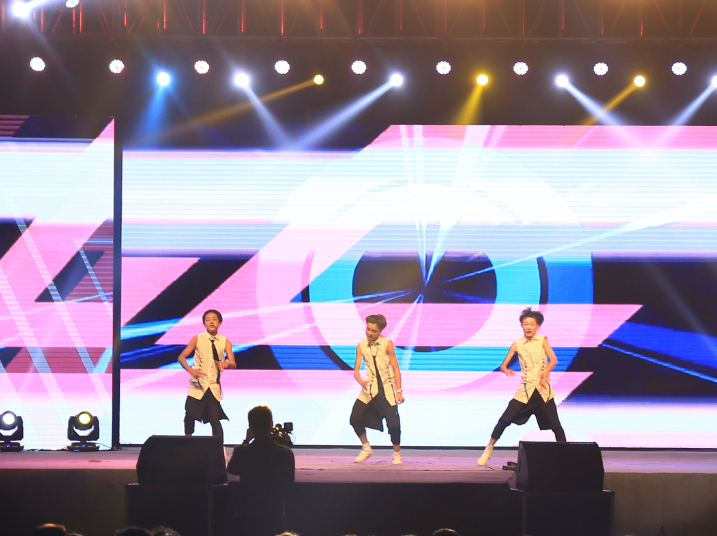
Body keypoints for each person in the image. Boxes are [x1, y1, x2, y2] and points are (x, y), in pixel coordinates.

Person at [477, 307, 566, 466]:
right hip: (525, 390)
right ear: (522, 326)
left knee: (556, 426)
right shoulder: (517, 344)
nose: (529, 327)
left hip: (542, 390)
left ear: (537, 326)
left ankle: (567, 456)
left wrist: (544, 374)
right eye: (526, 324)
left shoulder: (542, 340)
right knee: (504, 420)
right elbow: (503, 365)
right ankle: (489, 448)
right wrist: (507, 370)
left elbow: (553, 360)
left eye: (532, 324)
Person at [227, 405, 296, 536]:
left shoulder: (242, 451)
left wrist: (246, 441)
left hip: (246, 514)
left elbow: (232, 469)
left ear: (250, 427)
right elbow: (288, 483)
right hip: (275, 514)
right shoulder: (285, 453)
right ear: (271, 424)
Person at [350, 314, 405, 465]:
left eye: (373, 331)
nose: (369, 333)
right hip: (369, 389)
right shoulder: (361, 345)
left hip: (387, 389)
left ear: (380, 331)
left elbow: (395, 368)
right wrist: (361, 381)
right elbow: (356, 370)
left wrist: (399, 391)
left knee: (394, 424)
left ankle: (396, 454)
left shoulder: (387, 344)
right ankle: (366, 448)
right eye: (368, 329)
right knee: (354, 418)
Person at [177, 309, 236, 445]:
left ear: (220, 322)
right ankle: (187, 443)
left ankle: (218, 447)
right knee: (189, 414)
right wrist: (191, 371)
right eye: (208, 319)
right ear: (204, 323)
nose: (211, 322)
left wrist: (226, 363)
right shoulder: (198, 338)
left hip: (213, 386)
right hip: (197, 384)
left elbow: (233, 363)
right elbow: (181, 357)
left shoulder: (225, 341)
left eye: (214, 319)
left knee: (214, 418)